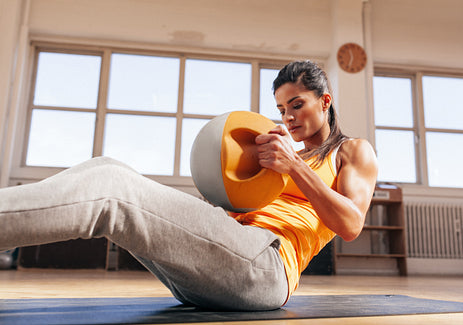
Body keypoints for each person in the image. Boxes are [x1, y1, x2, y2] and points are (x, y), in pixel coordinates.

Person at [0, 60, 377, 311]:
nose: (288, 117)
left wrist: (294, 165)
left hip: (266, 267)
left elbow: (350, 225)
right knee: (108, 167)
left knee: (112, 188)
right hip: (229, 257)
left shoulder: (352, 151)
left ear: (324, 101)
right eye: (281, 110)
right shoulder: (283, 161)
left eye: (297, 105)